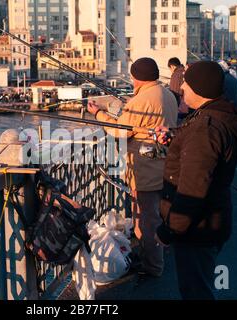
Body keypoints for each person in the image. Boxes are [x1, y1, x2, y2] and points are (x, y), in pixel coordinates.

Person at [154, 61, 237, 300]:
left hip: (198, 229)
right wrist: (175, 138)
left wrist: (168, 231)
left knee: (196, 292)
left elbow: (192, 189)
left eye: (187, 82)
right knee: (200, 286)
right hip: (209, 222)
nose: (182, 86)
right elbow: (201, 153)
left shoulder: (205, 129)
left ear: (201, 88)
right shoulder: (213, 117)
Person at [88, 57, 178, 277]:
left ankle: (153, 266)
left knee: (147, 220)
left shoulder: (142, 100)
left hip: (145, 167)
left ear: (136, 77)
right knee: (158, 213)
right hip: (164, 163)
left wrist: (98, 113)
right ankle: (157, 256)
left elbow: (120, 130)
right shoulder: (167, 94)